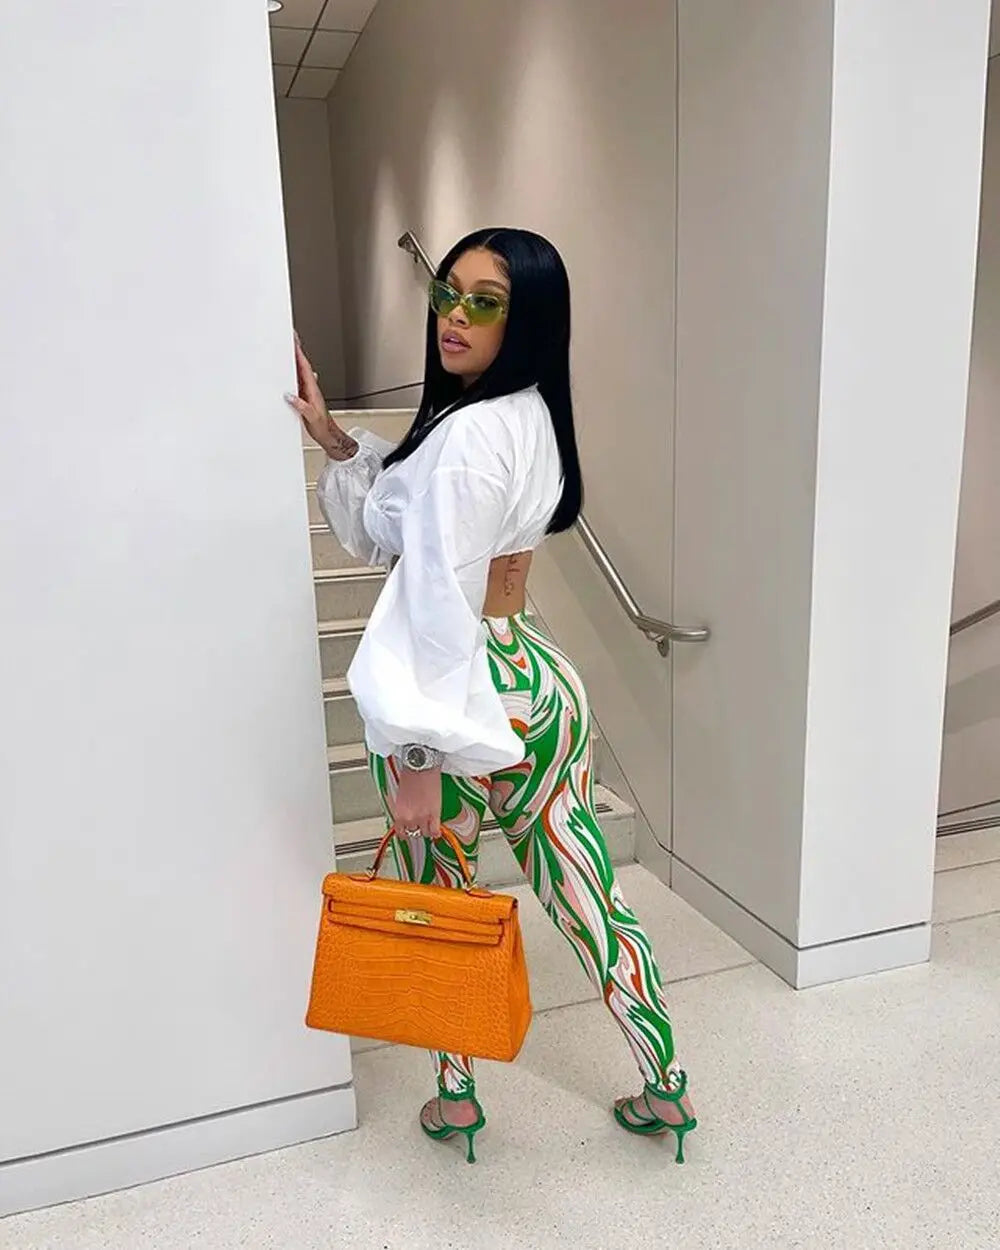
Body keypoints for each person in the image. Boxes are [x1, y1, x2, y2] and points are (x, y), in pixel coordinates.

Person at [286, 228, 697, 1164]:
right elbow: (407, 523)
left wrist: (418, 757)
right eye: (448, 293)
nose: (455, 316)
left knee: (440, 901)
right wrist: (336, 438)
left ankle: (457, 1100)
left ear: (529, 318)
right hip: (533, 678)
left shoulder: (468, 435)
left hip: (462, 691)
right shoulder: (527, 413)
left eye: (486, 302)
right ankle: (665, 1083)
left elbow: (435, 598)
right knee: (588, 893)